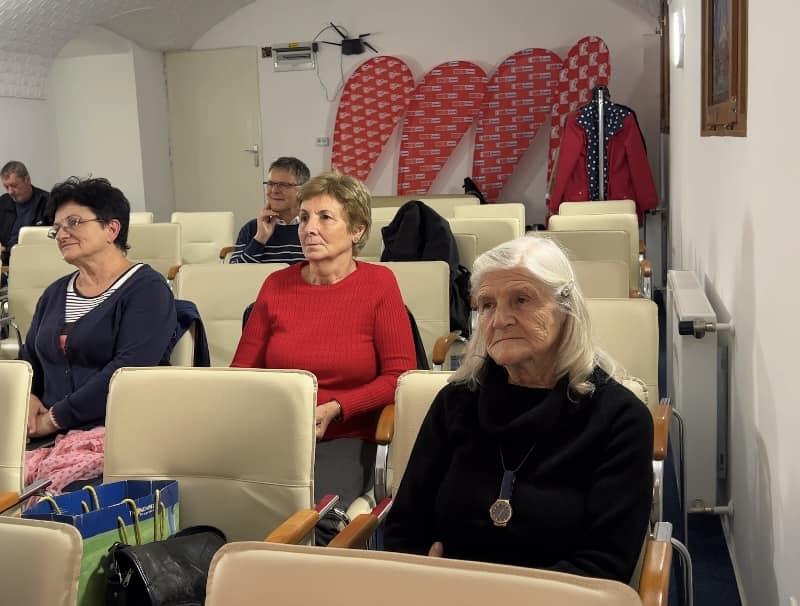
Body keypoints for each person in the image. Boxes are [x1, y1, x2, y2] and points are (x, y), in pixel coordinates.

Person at [384, 235, 653, 583]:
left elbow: (605, 565)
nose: (500, 320)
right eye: (487, 305)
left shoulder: (620, 418)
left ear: (566, 308)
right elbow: (405, 530)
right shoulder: (456, 403)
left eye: (521, 300)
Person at [231, 171, 416, 542]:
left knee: (307, 523)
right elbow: (241, 371)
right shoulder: (276, 285)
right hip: (277, 433)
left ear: (357, 231)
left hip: (347, 436)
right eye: (304, 218)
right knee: (230, 509)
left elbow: (400, 376)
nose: (309, 229)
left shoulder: (379, 285)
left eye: (325, 217)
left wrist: (337, 408)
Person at [23, 177, 177, 438]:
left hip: (115, 432)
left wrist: (54, 418)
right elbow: (29, 360)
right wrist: (28, 397)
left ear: (112, 229)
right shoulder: (54, 293)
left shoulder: (148, 289)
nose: (61, 235)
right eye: (56, 228)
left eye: (73, 222)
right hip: (45, 436)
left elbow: (126, 372)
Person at [229, 156, 309, 264]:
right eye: (271, 184)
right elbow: (235, 271)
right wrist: (260, 238)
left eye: (284, 185)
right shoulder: (251, 228)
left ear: (303, 190)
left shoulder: (313, 228)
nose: (274, 190)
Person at [0, 161, 51, 266]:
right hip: (4, 261)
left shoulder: (47, 202)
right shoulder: (3, 202)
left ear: (27, 180)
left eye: (14, 186)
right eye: (6, 187)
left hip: (35, 260)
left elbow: (50, 239)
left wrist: (7, 249)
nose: (10, 191)